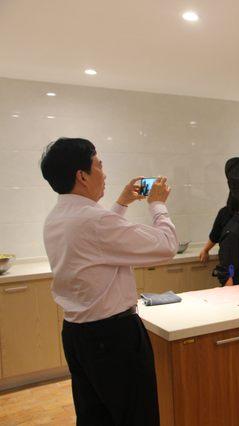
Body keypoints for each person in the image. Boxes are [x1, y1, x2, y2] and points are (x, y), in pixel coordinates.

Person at [40, 137, 178, 425]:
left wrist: (122, 202)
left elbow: (100, 240)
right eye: (99, 166)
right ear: (82, 176)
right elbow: (167, 246)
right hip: (113, 337)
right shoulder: (94, 220)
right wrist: (157, 205)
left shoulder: (57, 216)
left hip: (77, 335)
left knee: (95, 416)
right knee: (136, 417)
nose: (104, 174)